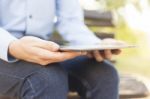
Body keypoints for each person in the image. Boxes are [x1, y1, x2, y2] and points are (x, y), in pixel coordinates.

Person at [0, 0, 121, 99]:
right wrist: (12, 46)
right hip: (3, 49)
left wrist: (96, 45)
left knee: (104, 74)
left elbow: (70, 20)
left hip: (43, 48)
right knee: (46, 79)